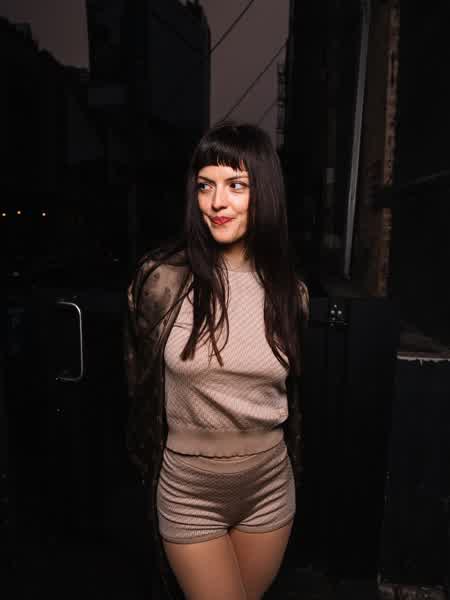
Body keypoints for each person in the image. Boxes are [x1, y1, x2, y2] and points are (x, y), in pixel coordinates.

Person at [124, 121, 309, 599]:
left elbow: (290, 396)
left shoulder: (291, 293)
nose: (216, 202)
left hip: (269, 488)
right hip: (190, 492)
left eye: (236, 185)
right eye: (205, 185)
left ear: (265, 192)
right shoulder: (161, 281)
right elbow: (137, 388)